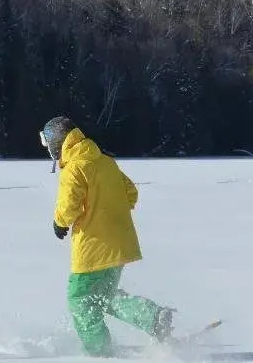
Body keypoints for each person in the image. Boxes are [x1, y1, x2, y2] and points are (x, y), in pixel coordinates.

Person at [40, 116, 174, 357]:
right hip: (120, 243)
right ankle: (153, 317)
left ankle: (99, 352)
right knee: (103, 296)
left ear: (57, 145)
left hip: (94, 247)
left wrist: (59, 223)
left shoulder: (74, 168)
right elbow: (130, 192)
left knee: (80, 299)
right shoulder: (104, 161)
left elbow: (69, 206)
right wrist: (110, 212)